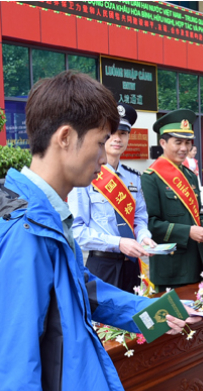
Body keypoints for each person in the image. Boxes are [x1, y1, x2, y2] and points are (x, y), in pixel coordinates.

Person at [0, 71, 200, 391]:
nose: (105, 159)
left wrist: (158, 314)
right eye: (101, 142)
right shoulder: (25, 234)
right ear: (66, 138)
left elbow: (85, 292)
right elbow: (13, 371)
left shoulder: (46, 218)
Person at [68, 102, 157, 293]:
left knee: (133, 318)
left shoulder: (133, 178)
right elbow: (77, 231)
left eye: (123, 133)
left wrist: (144, 237)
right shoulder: (85, 176)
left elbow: (139, 218)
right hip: (102, 266)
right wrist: (118, 243)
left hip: (131, 266)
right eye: (112, 132)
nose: (117, 138)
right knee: (102, 323)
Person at [141, 109, 203, 291]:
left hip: (197, 263)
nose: (184, 148)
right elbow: (150, 224)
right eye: (178, 142)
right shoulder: (151, 178)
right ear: (163, 143)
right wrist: (188, 231)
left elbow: (197, 215)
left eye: (188, 142)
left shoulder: (190, 176)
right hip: (171, 268)